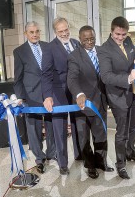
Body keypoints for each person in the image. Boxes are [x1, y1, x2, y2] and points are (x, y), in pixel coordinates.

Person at [99, 16, 135, 179]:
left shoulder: (128, 42)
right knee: (122, 132)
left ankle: (130, 152)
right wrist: (128, 78)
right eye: (117, 34)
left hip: (133, 93)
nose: (120, 38)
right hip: (117, 95)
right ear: (111, 31)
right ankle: (121, 164)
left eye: (123, 34)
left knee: (133, 126)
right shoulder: (104, 49)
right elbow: (106, 76)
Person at [67, 25, 114, 179]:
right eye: (85, 39)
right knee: (84, 138)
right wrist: (79, 94)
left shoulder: (102, 51)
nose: (89, 41)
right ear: (80, 39)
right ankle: (90, 165)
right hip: (83, 104)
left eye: (92, 38)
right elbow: (72, 79)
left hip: (101, 101)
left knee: (101, 134)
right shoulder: (74, 56)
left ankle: (102, 162)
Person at [13, 21, 56, 174]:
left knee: (51, 126)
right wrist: (20, 98)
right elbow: (17, 78)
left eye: (37, 31)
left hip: (49, 94)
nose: (35, 34)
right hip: (31, 96)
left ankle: (52, 153)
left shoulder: (47, 46)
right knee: (34, 129)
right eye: (31, 32)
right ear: (26, 34)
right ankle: (39, 158)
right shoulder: (19, 51)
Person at [41, 17, 81, 175]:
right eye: (61, 31)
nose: (64, 33)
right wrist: (47, 96)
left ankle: (80, 155)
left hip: (76, 90)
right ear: (55, 32)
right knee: (60, 128)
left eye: (66, 30)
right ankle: (63, 163)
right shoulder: (50, 48)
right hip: (58, 92)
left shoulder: (76, 43)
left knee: (79, 123)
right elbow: (45, 74)